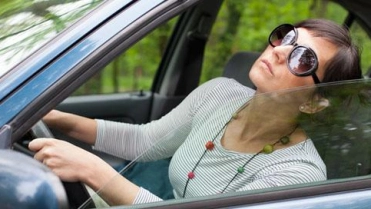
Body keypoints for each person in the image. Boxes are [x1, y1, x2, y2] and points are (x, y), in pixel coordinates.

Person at [29, 19, 362, 206]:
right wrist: (54, 118)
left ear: (314, 102)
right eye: (285, 37)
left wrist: (98, 174)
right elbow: (143, 139)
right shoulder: (219, 93)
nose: (279, 51)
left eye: (303, 58)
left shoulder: (298, 175)